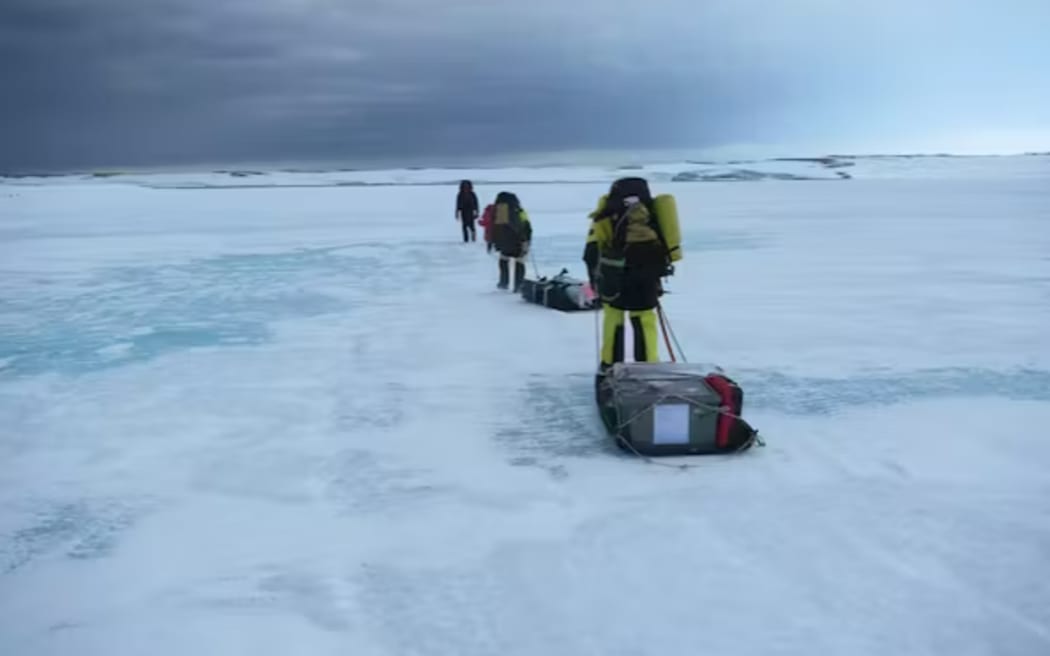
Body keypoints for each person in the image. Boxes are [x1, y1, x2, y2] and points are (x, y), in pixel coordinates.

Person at [583, 177, 672, 395]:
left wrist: (596, 283)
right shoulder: (653, 214)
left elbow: (591, 252)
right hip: (647, 279)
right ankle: (649, 368)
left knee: (614, 320)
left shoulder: (605, 215)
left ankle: (610, 367)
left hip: (616, 280)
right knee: (644, 320)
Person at [491, 191, 532, 291]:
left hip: (504, 242)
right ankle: (518, 285)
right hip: (518, 241)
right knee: (519, 262)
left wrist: (495, 241)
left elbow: (497, 228)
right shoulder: (518, 210)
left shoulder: (500, 210)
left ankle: (503, 283)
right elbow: (524, 225)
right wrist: (526, 239)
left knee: (504, 260)